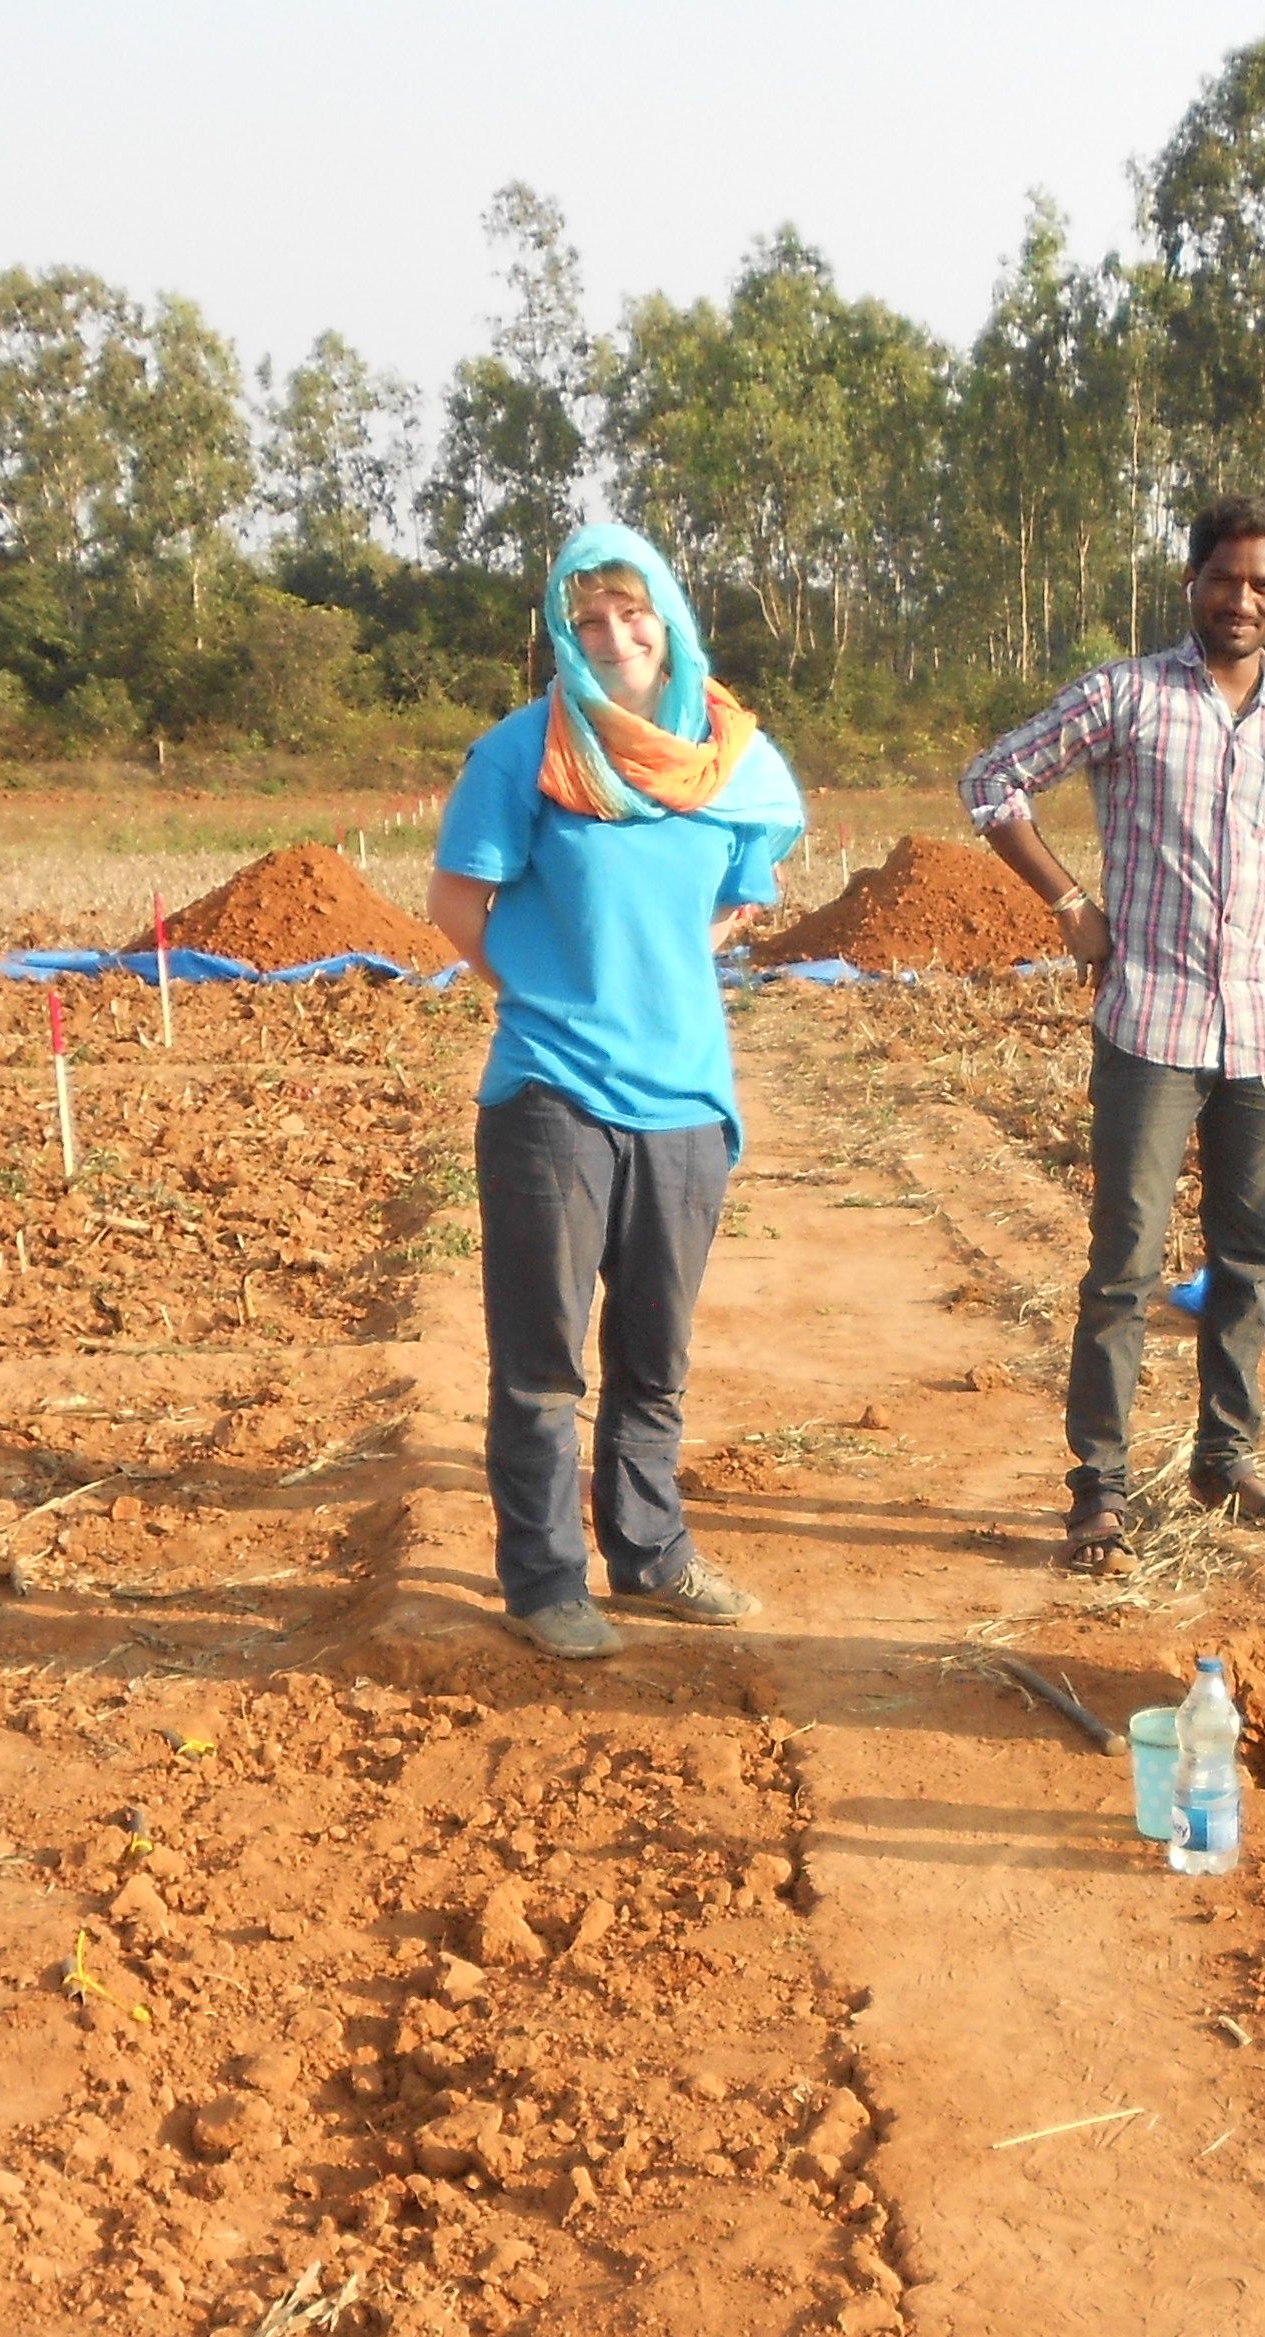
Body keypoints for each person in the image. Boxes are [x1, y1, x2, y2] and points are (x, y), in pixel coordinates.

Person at [961, 497, 1265, 1573]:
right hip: (1149, 1020)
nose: (1242, 601)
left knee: (1249, 1258)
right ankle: (1099, 1486)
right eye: (1225, 579)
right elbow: (990, 781)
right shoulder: (1127, 696)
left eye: (1264, 585)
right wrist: (1069, 902)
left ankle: (1225, 1457)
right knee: (1125, 1264)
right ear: (1191, 582)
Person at [427, 526, 804, 1662]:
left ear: (673, 620)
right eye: (587, 619)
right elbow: (457, 907)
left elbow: (742, 892)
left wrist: (664, 969)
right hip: (552, 1095)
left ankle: (647, 1551)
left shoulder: (729, 757)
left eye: (633, 613)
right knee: (544, 1360)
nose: (614, 636)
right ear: (562, 632)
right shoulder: (524, 754)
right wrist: (548, 990)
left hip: (687, 1099)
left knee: (657, 1355)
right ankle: (545, 1581)